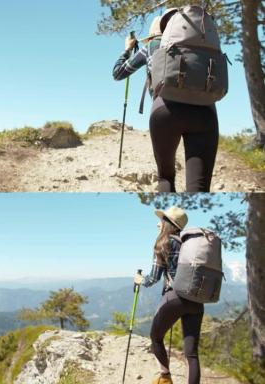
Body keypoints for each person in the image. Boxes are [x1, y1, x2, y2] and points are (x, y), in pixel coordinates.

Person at [112, 15, 219, 192]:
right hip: (205, 113)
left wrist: (127, 50)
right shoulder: (202, 43)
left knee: (165, 178)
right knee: (199, 186)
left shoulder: (151, 46)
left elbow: (118, 73)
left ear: (155, 33)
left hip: (164, 111)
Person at [134, 206, 204, 384]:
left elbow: (153, 278)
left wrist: (140, 279)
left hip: (174, 298)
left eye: (161, 220)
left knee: (155, 337)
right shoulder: (189, 245)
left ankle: (165, 377)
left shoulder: (163, 242)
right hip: (196, 301)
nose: (158, 224)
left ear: (168, 224)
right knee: (191, 353)